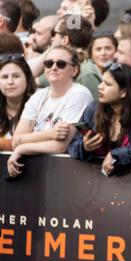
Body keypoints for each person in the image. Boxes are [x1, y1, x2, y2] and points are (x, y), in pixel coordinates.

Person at [7, 45, 93, 177]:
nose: (54, 67)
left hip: (69, 174)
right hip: (36, 173)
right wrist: (50, 134)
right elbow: (16, 140)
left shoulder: (79, 93)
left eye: (61, 64)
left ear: (74, 70)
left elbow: (60, 146)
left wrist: (22, 148)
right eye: (48, 63)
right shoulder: (38, 96)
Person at [68, 63, 131, 175]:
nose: (100, 86)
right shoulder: (92, 110)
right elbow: (72, 146)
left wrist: (116, 155)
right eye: (101, 81)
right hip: (96, 183)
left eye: (107, 84)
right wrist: (84, 147)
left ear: (124, 92)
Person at [37, 14, 101, 101]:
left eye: (54, 33)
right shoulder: (59, 65)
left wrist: (51, 49)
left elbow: (97, 109)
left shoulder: (86, 74)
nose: (52, 38)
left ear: (65, 40)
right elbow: (31, 80)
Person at [0, 53, 36, 150]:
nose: (10, 82)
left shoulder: (39, 105)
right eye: (4, 77)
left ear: (27, 79)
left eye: (16, 76)